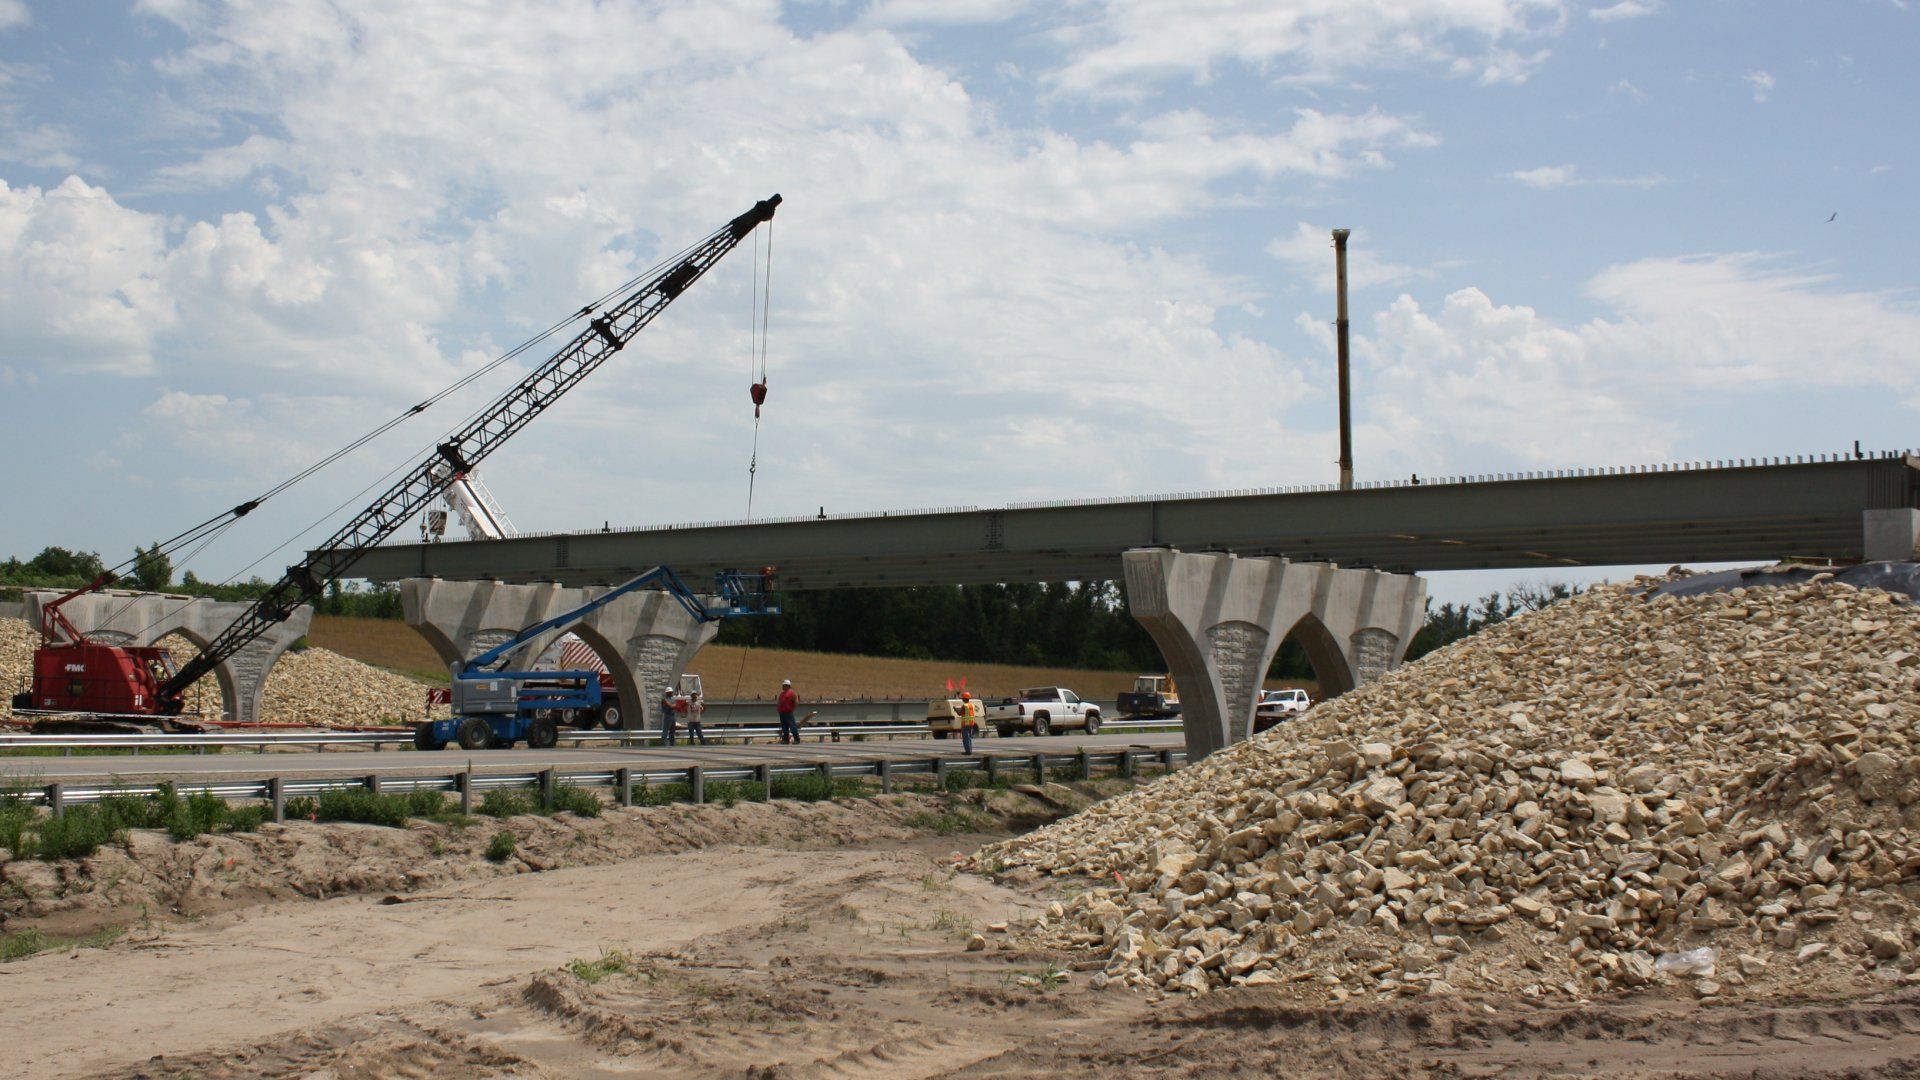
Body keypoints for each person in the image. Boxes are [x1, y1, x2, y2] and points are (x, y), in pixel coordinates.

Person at [776, 679, 800, 745]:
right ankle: (786, 739)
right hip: (782, 712)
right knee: (784, 727)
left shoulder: (792, 693)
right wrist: (778, 709)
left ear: (788, 686)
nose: (783, 687)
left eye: (784, 685)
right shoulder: (782, 694)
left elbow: (796, 702)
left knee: (792, 726)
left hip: (788, 712)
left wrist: (792, 709)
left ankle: (797, 739)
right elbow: (780, 702)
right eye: (783, 685)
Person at [957, 689, 979, 755]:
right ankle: (970, 750)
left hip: (965, 724)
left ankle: (968, 751)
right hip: (971, 723)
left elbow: (959, 713)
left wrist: (955, 709)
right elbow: (977, 709)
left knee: (966, 737)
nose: (962, 699)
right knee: (969, 737)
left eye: (963, 698)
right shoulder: (972, 705)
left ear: (964, 698)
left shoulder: (964, 705)